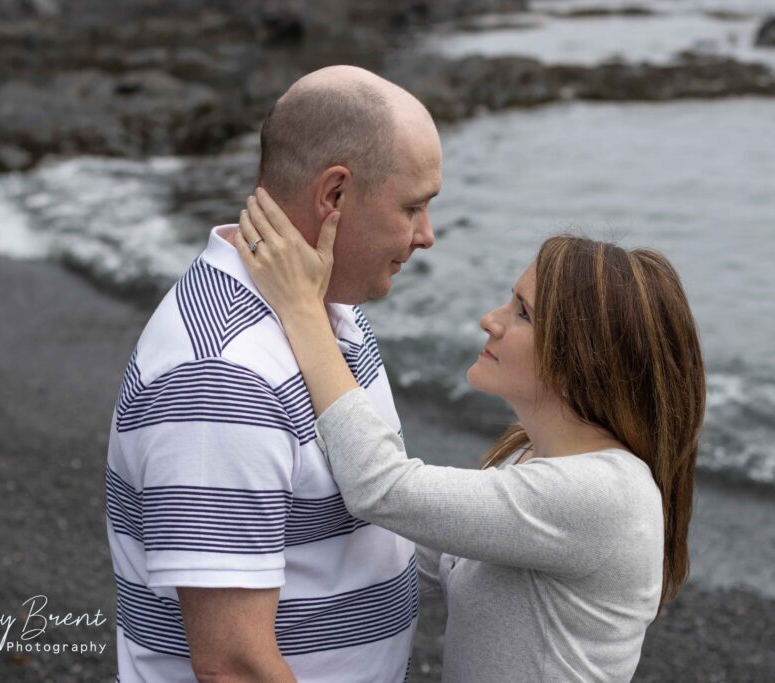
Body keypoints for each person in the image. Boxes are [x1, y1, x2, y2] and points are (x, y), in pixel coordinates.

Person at [232, 190, 706, 682]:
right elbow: (413, 561)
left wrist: (304, 310)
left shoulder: (602, 494)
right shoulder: (526, 456)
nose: (491, 320)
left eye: (522, 312)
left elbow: (382, 487)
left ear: (582, 361)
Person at [104, 66, 442, 682]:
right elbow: (234, 665)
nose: (427, 236)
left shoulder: (329, 311)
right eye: (413, 207)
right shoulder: (220, 376)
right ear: (334, 195)